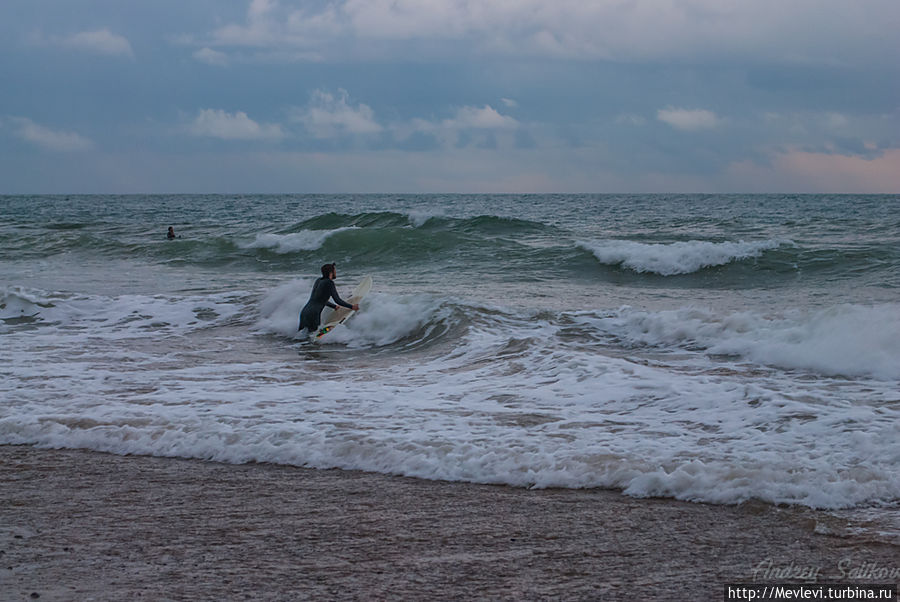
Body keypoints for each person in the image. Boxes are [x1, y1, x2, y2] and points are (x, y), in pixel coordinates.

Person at [298, 263, 359, 333]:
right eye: (335, 271)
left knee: (301, 337)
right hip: (313, 315)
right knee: (315, 338)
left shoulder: (318, 281)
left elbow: (319, 299)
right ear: (331, 273)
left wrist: (334, 306)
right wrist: (352, 307)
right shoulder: (329, 283)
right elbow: (337, 300)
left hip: (304, 312)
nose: (336, 273)